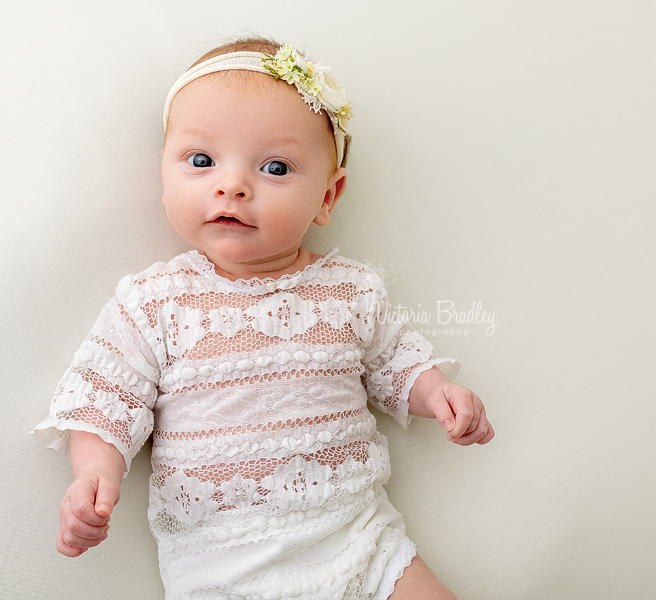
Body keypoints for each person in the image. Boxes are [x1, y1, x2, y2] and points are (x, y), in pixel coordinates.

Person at [33, 35, 494, 600]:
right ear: (164, 174)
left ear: (329, 196)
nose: (232, 185)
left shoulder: (350, 291)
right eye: (201, 161)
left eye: (274, 167)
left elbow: (396, 360)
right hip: (225, 565)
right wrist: (94, 475)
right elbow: (105, 398)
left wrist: (437, 392)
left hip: (360, 540)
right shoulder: (154, 302)